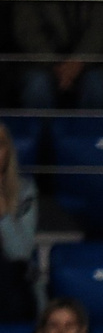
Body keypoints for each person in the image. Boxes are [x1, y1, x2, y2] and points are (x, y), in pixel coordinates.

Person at [0, 123, 37, 322]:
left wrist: (3, 212)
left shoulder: (25, 191)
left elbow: (21, 252)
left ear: (7, 152)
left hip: (12, 283)